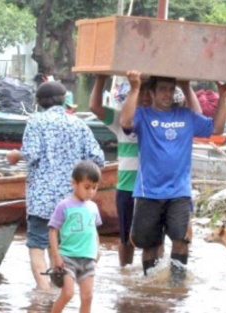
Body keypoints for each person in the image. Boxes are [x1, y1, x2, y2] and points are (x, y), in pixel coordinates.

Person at [120, 70, 226, 283]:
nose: (167, 94)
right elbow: (125, 121)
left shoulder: (186, 115)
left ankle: (177, 285)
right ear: (152, 93)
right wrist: (134, 88)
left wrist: (223, 97)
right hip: (148, 192)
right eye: (162, 89)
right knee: (149, 245)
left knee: (181, 240)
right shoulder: (143, 115)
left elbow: (216, 128)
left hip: (179, 192)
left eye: (171, 90)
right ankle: (150, 287)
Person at [88, 75, 201, 267]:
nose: (146, 99)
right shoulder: (122, 118)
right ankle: (127, 275)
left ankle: (157, 276)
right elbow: (95, 108)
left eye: (148, 93)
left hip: (158, 188)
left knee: (158, 238)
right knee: (127, 237)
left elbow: (196, 118)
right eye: (141, 93)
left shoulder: (168, 119)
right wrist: (101, 79)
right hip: (128, 186)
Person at [6, 81, 105, 290]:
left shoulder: (36, 122)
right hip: (71, 200)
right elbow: (98, 159)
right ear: (64, 100)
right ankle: (57, 294)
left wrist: (16, 154)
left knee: (37, 246)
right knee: (60, 248)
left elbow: (31, 154)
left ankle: (43, 293)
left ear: (40, 102)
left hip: (41, 200)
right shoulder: (79, 124)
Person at [48, 161, 102, 313]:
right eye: (87, 187)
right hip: (68, 259)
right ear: (74, 183)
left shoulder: (93, 207)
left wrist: (97, 249)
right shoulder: (64, 205)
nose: (91, 192)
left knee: (88, 297)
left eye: (94, 187)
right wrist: (56, 256)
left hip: (88, 259)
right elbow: (53, 230)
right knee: (68, 293)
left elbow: (94, 230)